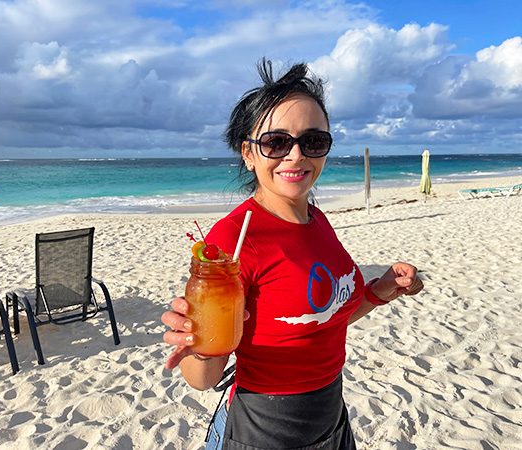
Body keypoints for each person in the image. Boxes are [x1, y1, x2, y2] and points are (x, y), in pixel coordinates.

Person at [161, 59, 424, 450]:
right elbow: (203, 380)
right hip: (268, 428)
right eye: (276, 141)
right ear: (248, 153)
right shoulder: (232, 242)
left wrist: (379, 291)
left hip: (332, 417)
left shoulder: (316, 219)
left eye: (313, 141)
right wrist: (198, 346)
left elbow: (325, 320)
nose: (296, 155)